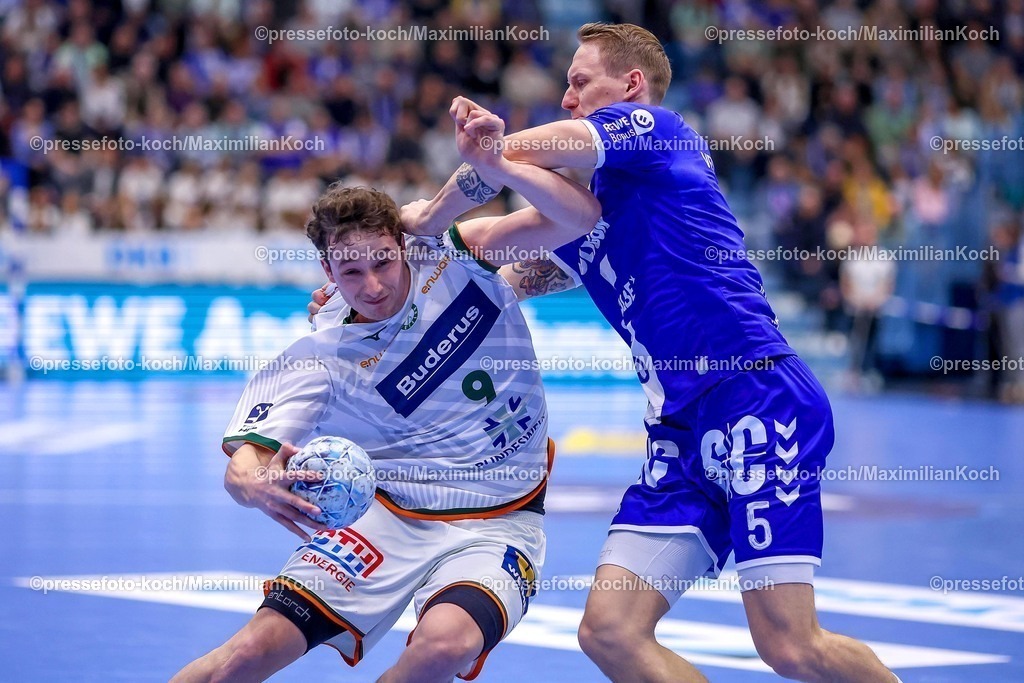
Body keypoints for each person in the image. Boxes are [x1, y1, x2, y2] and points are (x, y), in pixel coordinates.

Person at [400, 22, 902, 683]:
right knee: (609, 631)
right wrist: (396, 248)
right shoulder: (577, 211)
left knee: (790, 646)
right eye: (567, 85)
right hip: (679, 431)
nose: (569, 96)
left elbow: (521, 149)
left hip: (756, 397)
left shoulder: (659, 130)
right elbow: (489, 249)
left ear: (630, 87)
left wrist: (486, 162)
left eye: (581, 82)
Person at [171, 116, 601, 682]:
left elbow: (581, 219)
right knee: (249, 654)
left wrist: (465, 187)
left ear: (403, 244)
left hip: (500, 522)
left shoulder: (456, 254)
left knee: (444, 646)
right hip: (387, 519)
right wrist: (252, 485)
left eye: (382, 261)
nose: (372, 286)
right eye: (350, 271)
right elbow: (246, 461)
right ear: (326, 269)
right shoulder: (322, 354)